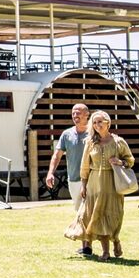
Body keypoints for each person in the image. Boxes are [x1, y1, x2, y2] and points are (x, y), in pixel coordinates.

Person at [78, 110, 135, 261]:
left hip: (112, 183)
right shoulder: (90, 142)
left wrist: (120, 162)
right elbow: (84, 166)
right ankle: (105, 252)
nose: (97, 125)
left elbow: (130, 160)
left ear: (108, 123)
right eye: (94, 122)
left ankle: (115, 239)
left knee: (114, 215)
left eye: (100, 122)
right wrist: (83, 185)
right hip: (94, 183)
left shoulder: (118, 142)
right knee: (97, 215)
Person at [46, 103, 92, 255]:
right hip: (73, 179)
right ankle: (86, 244)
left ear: (87, 115)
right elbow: (57, 155)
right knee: (79, 211)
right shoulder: (66, 134)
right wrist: (50, 173)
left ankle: (87, 246)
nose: (75, 116)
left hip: (91, 180)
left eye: (78, 113)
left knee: (86, 212)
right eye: (73, 113)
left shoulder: (93, 133)